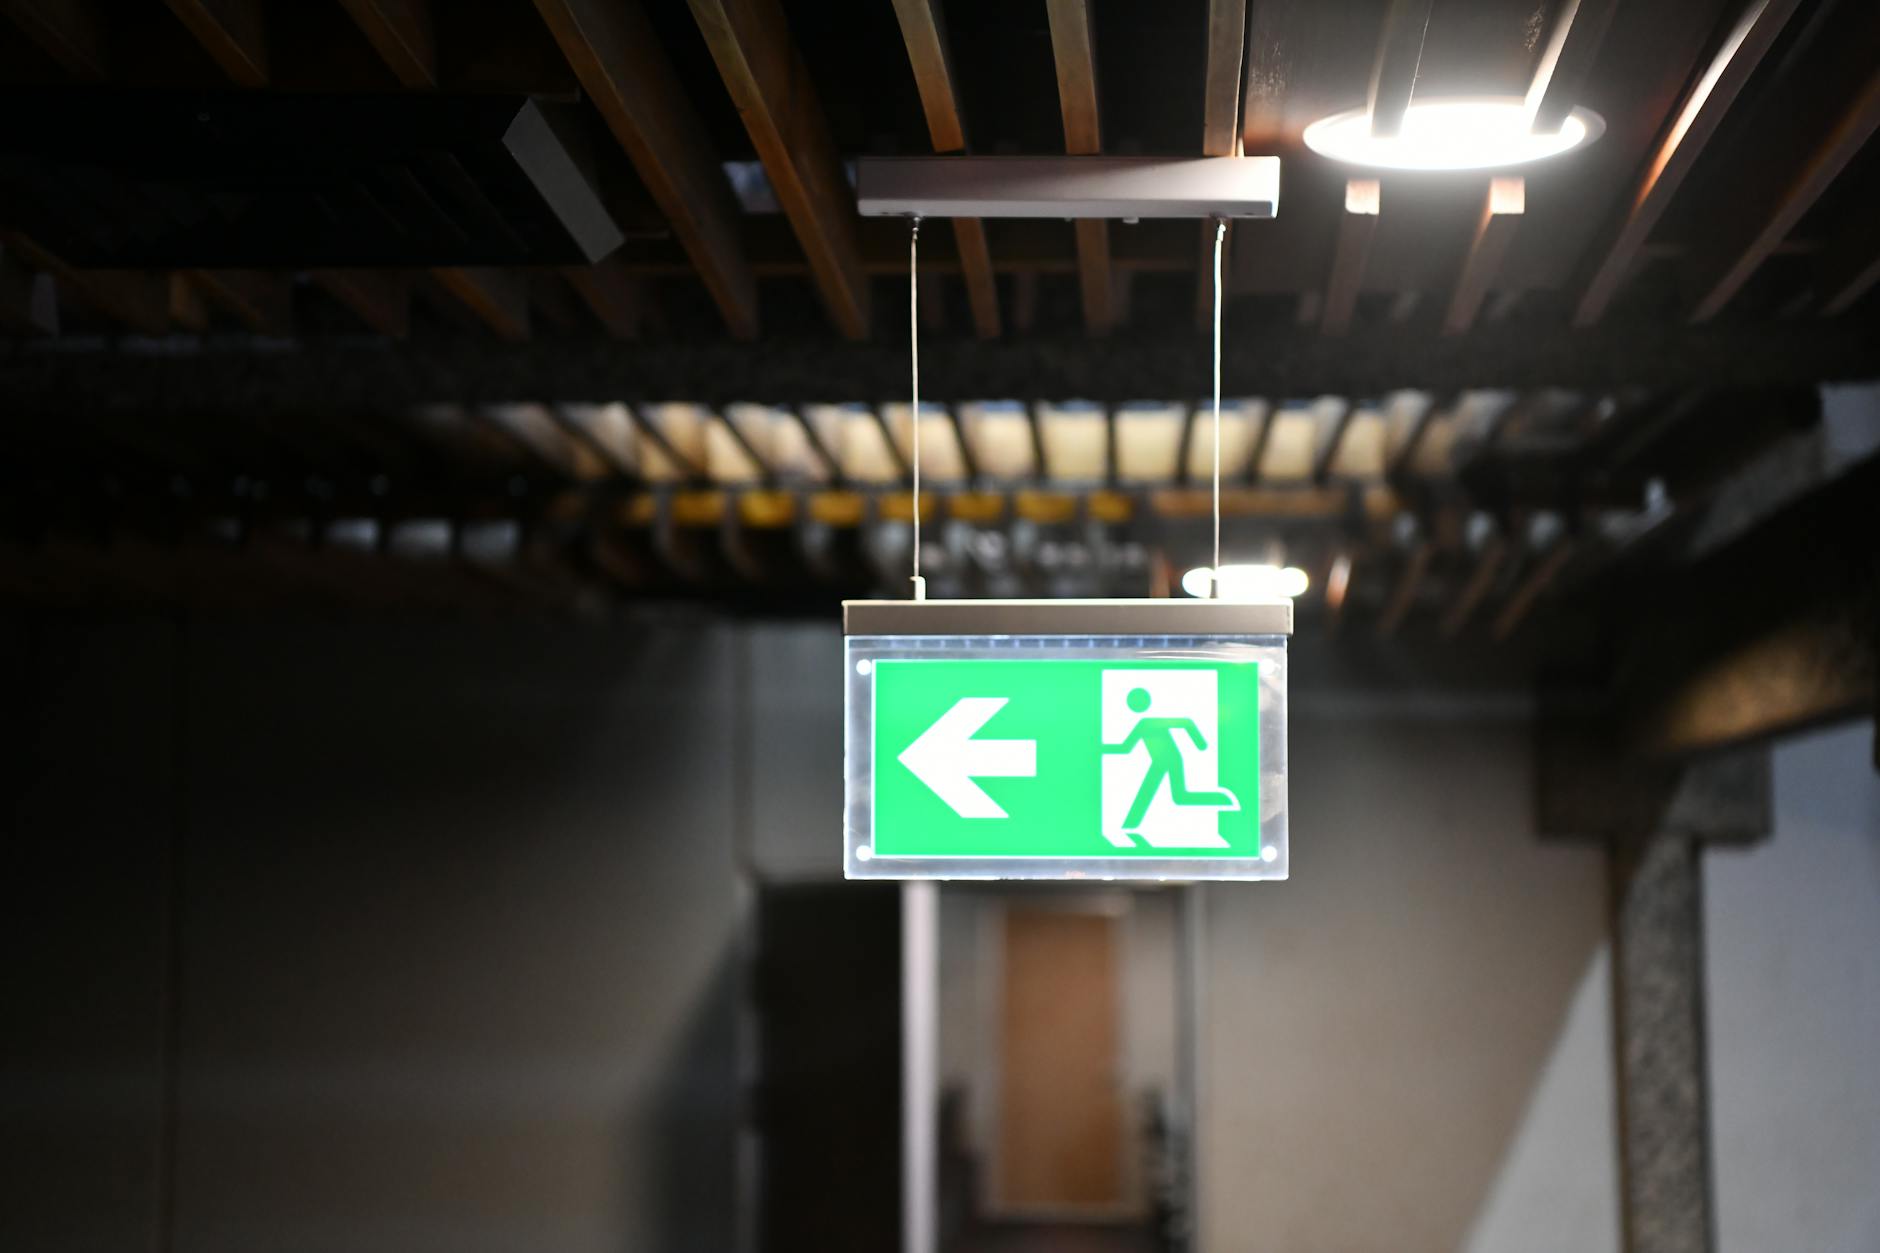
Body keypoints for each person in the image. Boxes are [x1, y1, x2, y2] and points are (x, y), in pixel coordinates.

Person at [1102, 687, 1236, 830]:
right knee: (1179, 796)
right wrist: (1102, 748)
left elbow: (1186, 723)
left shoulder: (1152, 723)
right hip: (1161, 761)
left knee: (1172, 795)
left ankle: (1130, 825)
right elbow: (1125, 748)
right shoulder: (1143, 724)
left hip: (1170, 760)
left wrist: (1200, 744)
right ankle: (1221, 799)